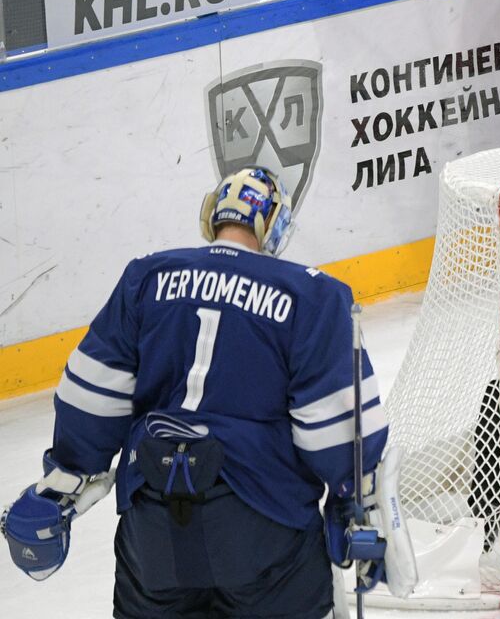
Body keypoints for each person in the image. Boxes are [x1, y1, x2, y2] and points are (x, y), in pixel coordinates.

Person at [1, 167, 414, 618]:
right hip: (264, 527)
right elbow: (337, 432)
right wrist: (357, 501)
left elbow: (90, 398)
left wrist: (64, 479)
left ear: (211, 216)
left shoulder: (146, 277)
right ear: (275, 226)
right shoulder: (314, 296)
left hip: (154, 528)